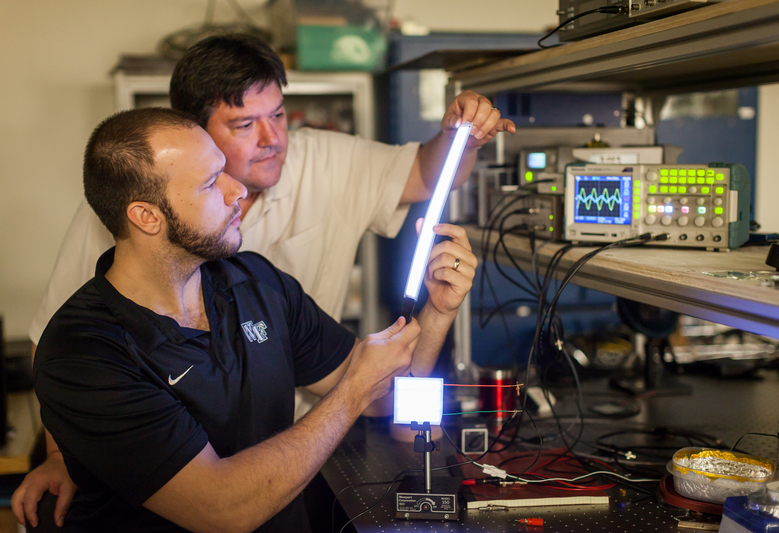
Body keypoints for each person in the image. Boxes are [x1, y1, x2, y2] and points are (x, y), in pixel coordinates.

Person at [14, 33, 513, 527]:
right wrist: (66, 452)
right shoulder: (87, 350)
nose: (238, 192)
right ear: (145, 216)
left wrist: (440, 309)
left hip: (296, 460)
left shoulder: (257, 284)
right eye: (213, 180)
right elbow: (220, 509)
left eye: (277, 115)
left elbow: (387, 393)